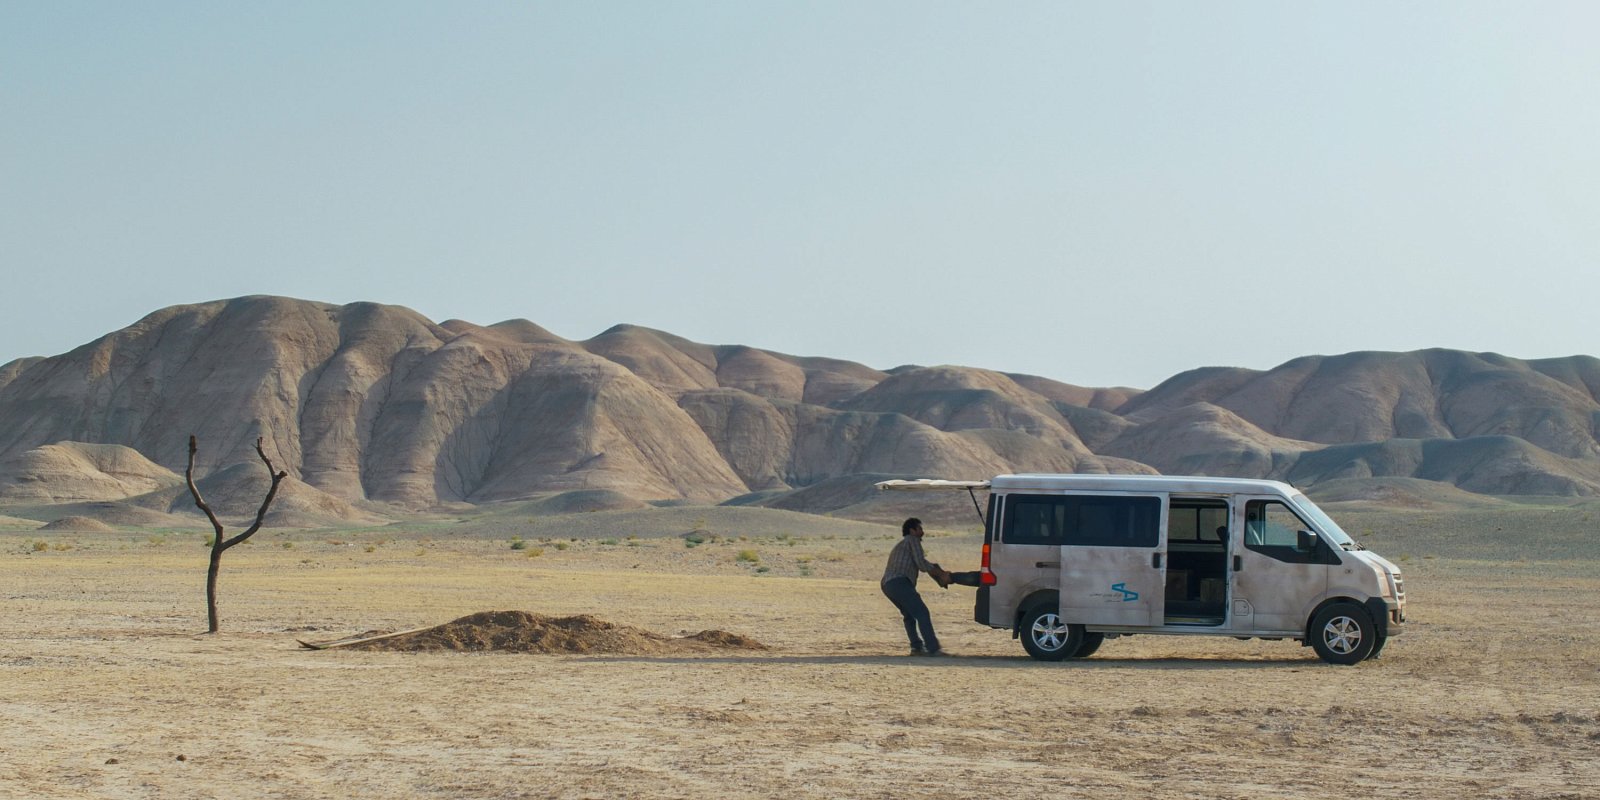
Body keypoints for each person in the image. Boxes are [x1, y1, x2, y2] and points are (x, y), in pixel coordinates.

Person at [881, 517, 953, 656]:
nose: (922, 531)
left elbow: (921, 564)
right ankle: (933, 649)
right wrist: (942, 574)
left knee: (909, 615)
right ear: (912, 530)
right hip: (899, 582)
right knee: (922, 613)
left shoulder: (903, 543)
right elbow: (921, 564)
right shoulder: (912, 540)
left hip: (888, 584)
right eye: (920, 528)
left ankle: (916, 647)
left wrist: (937, 573)